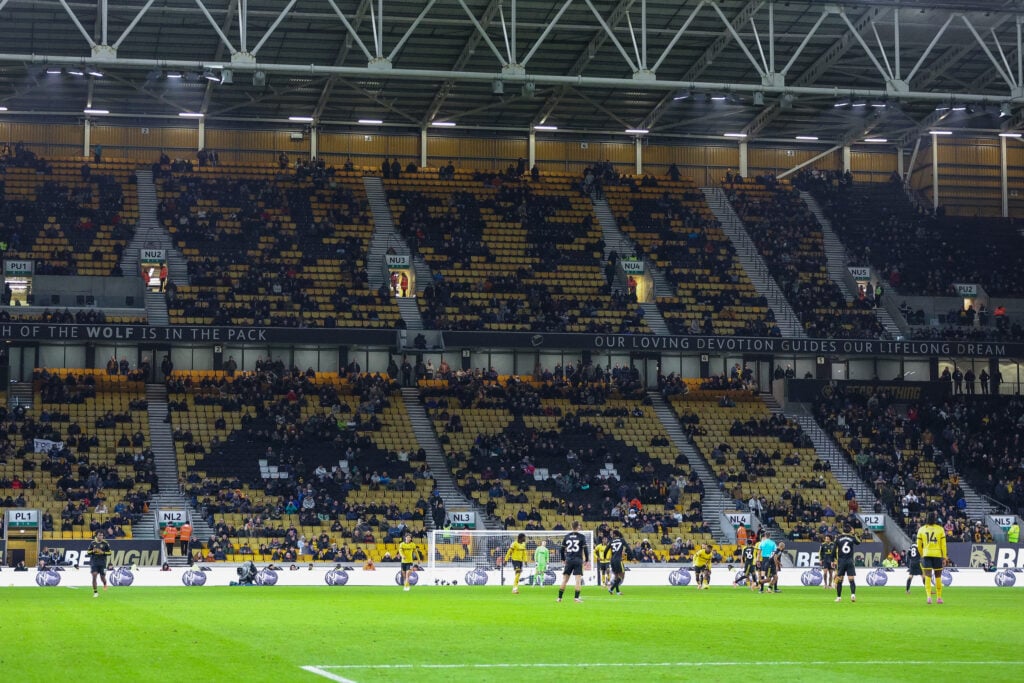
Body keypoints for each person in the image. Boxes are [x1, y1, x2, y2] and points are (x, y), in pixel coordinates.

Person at [916, 511, 948, 605]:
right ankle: (939, 598)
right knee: (938, 576)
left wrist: (922, 554)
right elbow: (943, 545)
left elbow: (918, 545)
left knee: (928, 576)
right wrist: (944, 557)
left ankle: (929, 597)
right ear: (935, 519)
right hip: (937, 554)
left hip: (926, 554)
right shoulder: (940, 529)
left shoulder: (921, 529)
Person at [557, 520, 590, 603]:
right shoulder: (581, 536)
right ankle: (576, 598)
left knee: (564, 580)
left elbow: (561, 549)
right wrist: (587, 559)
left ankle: (559, 598)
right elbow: (585, 549)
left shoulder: (567, 536)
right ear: (578, 527)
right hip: (578, 560)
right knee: (578, 580)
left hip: (569, 560)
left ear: (571, 527)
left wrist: (563, 559)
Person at [834, 524, 860, 603]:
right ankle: (853, 595)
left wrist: (833, 560)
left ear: (843, 530)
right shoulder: (851, 538)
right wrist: (853, 534)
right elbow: (858, 542)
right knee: (851, 579)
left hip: (841, 561)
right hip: (850, 561)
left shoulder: (838, 538)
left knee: (840, 580)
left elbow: (834, 550)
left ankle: (838, 597)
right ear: (850, 530)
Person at [87, 531, 111, 598]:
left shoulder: (105, 543)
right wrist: (93, 551)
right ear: (96, 536)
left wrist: (103, 552)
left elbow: (110, 553)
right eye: (100, 535)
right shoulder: (92, 543)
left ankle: (105, 583)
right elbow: (88, 552)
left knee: (102, 577)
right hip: (94, 562)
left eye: (102, 535)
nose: (101, 537)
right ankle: (95, 592)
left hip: (102, 563)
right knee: (94, 575)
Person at [606, 529, 631, 595]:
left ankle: (617, 591)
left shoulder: (611, 541)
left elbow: (606, 550)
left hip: (612, 560)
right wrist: (632, 557)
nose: (611, 535)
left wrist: (605, 558)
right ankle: (611, 589)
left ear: (614, 534)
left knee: (616, 577)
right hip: (618, 560)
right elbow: (627, 548)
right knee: (622, 576)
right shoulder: (621, 540)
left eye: (612, 534)